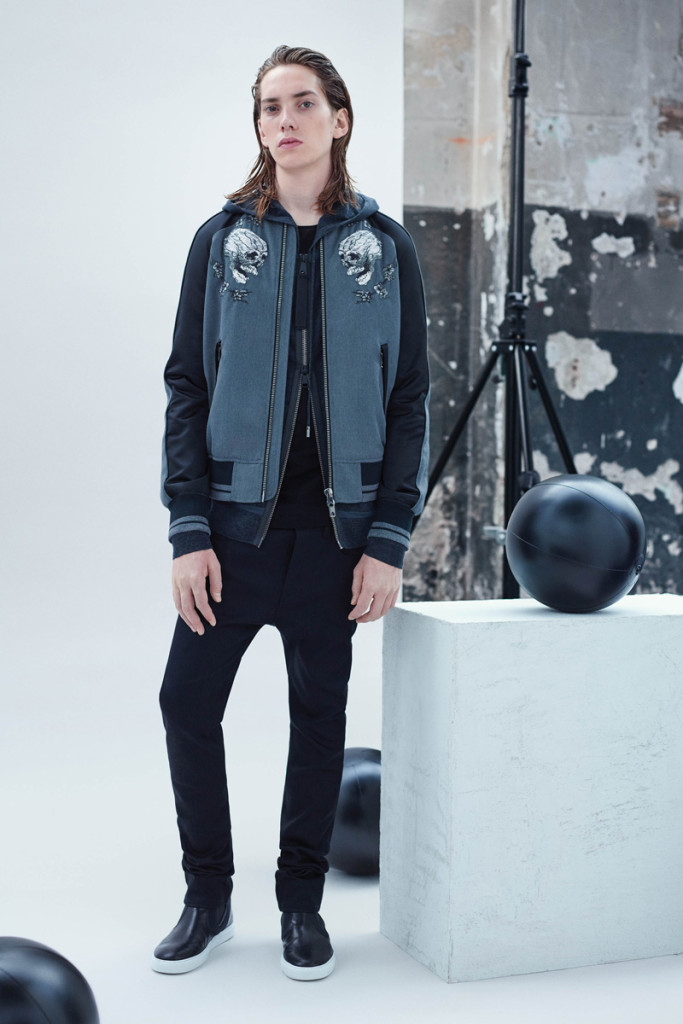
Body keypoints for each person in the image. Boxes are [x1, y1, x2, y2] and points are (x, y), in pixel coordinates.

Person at [152, 44, 430, 981]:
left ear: (338, 120)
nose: (285, 119)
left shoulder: (384, 249)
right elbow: (187, 387)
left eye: (303, 103)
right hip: (233, 535)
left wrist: (386, 541)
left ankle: (300, 906)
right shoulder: (222, 241)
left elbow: (409, 399)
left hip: (336, 542)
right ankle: (207, 896)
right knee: (186, 705)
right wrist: (189, 530)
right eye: (271, 106)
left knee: (317, 722)